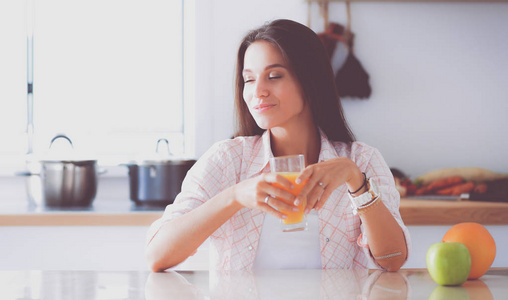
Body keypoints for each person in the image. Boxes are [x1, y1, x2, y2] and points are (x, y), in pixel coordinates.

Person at [146, 19, 410, 271]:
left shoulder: (361, 160)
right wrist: (234, 196)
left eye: (274, 76)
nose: (258, 90)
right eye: (249, 79)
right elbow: (157, 256)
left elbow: (392, 260)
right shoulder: (227, 160)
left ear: (310, 81)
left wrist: (356, 182)